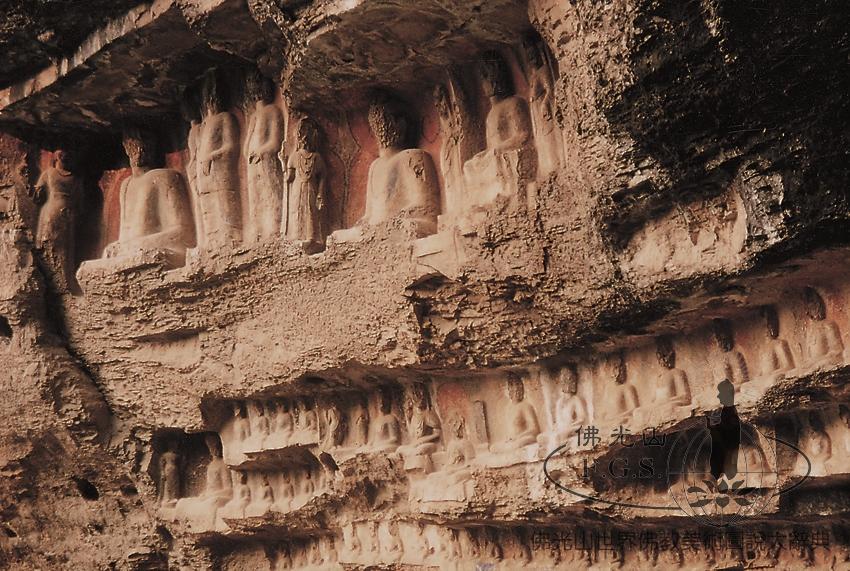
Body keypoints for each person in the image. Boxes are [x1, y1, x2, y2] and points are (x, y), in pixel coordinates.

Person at [103, 128, 195, 266]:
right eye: (132, 142)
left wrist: (132, 246)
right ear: (126, 147)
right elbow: (125, 235)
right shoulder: (126, 184)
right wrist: (119, 247)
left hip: (156, 252)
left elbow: (184, 233)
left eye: (146, 140)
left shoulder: (166, 177)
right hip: (130, 252)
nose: (139, 149)